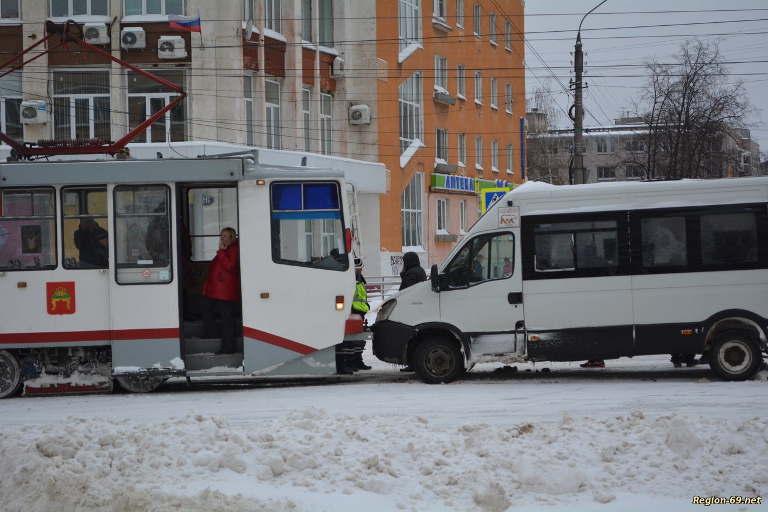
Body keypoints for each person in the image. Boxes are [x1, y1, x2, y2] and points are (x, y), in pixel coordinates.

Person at [201, 227, 241, 355]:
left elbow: (229, 265)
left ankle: (227, 348)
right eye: (222, 235)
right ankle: (212, 332)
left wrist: (221, 252)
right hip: (218, 289)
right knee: (205, 308)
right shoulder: (227, 249)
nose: (222, 238)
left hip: (225, 290)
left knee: (227, 320)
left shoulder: (233, 249)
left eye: (226, 236)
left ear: (232, 237)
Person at [338, 258, 372, 374]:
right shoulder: (351, 279)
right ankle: (348, 363)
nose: (362, 270)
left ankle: (357, 361)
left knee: (358, 340)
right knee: (350, 341)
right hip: (353, 311)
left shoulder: (359, 279)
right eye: (360, 268)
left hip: (359, 312)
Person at [398, 251, 426, 372]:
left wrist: (404, 275)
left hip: (411, 309)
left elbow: (405, 291)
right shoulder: (420, 270)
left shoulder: (411, 273)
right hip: (420, 307)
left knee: (411, 338)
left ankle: (412, 364)